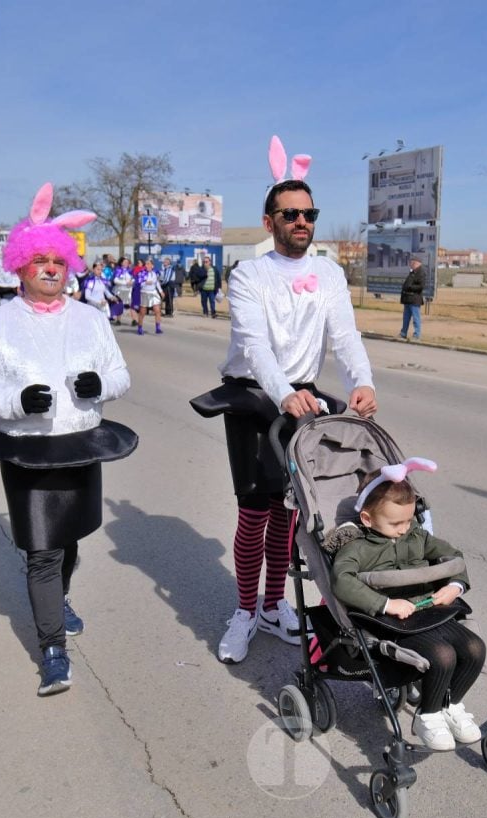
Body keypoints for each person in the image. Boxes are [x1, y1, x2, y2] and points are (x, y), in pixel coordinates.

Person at [190, 135, 378, 664]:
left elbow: (345, 336)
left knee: (291, 513)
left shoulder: (330, 274)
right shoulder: (249, 274)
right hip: (255, 396)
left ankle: (276, 605)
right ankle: (246, 610)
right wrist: (283, 393)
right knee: (255, 510)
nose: (302, 221)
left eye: (309, 213)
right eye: (290, 213)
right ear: (270, 220)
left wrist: (361, 381)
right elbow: (253, 345)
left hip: (302, 397)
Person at [0, 183, 136, 697]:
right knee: (42, 551)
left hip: (79, 443)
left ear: (69, 265)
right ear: (19, 267)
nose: (50, 268)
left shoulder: (92, 319)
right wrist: (15, 400)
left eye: (57, 259)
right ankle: (52, 648)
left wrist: (102, 386)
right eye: (38, 260)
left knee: (70, 539)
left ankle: (59, 599)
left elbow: (120, 375)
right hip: (28, 450)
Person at [331, 465, 485, 751]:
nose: (404, 529)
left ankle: (449, 705)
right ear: (367, 518)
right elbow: (342, 581)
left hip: (429, 608)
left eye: (409, 519)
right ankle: (427, 715)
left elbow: (453, 556)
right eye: (396, 524)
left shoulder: (416, 537)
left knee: (475, 648)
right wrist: (385, 603)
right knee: (442, 655)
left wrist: (455, 586)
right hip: (392, 620)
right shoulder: (357, 547)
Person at [134, 258, 164, 335]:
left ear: (152, 265)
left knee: (157, 310)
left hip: (153, 293)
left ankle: (158, 328)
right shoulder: (142, 273)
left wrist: (160, 291)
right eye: (146, 264)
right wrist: (146, 282)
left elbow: (156, 283)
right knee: (142, 312)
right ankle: (140, 328)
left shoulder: (155, 273)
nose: (147, 265)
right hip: (145, 293)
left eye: (148, 264)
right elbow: (139, 283)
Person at [399, 256, 425, 341]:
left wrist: (410, 287)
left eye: (411, 262)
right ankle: (403, 333)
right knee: (406, 318)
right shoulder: (412, 272)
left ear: (416, 263)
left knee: (416, 318)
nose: (410, 264)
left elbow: (421, 286)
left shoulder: (421, 272)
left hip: (414, 299)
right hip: (407, 299)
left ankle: (416, 335)